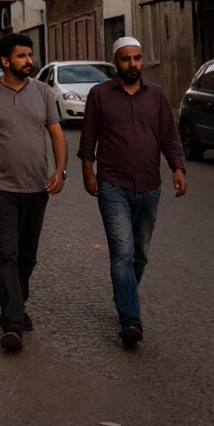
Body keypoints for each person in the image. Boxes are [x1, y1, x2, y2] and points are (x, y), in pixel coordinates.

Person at [78, 36, 187, 349]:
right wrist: (89, 173)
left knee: (140, 253)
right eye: (126, 59)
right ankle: (130, 320)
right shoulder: (99, 95)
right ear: (116, 62)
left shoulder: (156, 95)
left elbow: (169, 135)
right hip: (113, 185)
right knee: (122, 253)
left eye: (137, 58)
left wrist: (178, 167)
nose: (132, 64)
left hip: (150, 187)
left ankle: (124, 292)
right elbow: (88, 139)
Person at [0, 33, 67, 351]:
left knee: (27, 256)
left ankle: (17, 304)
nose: (29, 61)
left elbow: (57, 135)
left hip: (36, 188)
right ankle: (12, 323)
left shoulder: (44, 93)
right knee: (5, 254)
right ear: (6, 61)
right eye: (22, 56)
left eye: (30, 55)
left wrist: (60, 170)